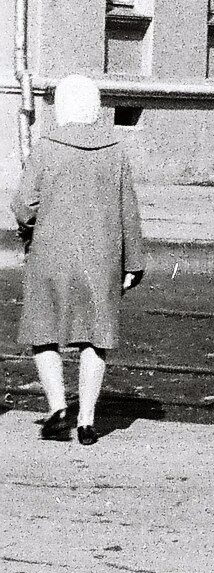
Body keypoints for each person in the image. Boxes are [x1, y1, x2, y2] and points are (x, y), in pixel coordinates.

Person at [13, 75, 145, 445]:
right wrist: (132, 262)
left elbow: (24, 205)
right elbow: (128, 210)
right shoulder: (116, 150)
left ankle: (58, 408)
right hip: (101, 258)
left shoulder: (46, 148)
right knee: (95, 337)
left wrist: (30, 228)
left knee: (44, 333)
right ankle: (87, 421)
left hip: (51, 255)